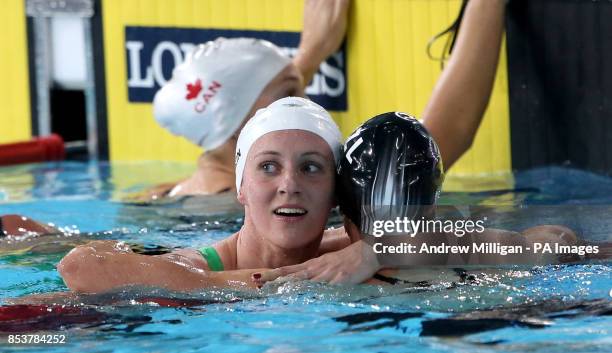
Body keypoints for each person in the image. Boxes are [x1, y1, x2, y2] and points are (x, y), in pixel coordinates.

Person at [141, 0, 350, 198]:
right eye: (289, 97)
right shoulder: (238, 208)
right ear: (235, 128)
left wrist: (310, 54)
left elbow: (257, 104)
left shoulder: (168, 194)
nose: (307, 105)